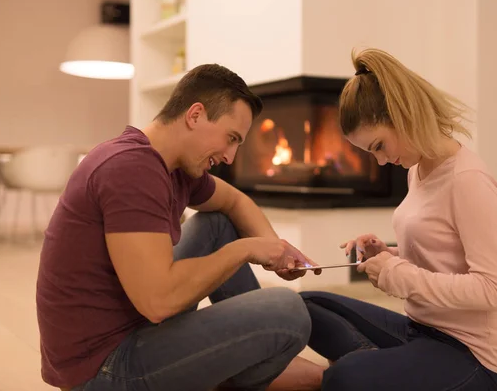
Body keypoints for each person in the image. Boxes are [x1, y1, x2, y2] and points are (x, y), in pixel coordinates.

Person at [36, 63, 326, 391]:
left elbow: (235, 203)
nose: (231, 157)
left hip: (131, 330)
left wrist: (277, 250)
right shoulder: (132, 169)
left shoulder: (170, 165)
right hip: (103, 369)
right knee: (288, 311)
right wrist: (245, 248)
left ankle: (254, 357)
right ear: (195, 115)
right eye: (231, 138)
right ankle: (248, 368)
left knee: (216, 224)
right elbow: (158, 302)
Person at [300, 48, 497, 391]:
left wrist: (397, 275)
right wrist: (387, 254)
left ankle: (375, 370)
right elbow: (444, 255)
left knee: (344, 378)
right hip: (419, 330)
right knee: (305, 306)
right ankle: (387, 368)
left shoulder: (468, 180)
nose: (382, 161)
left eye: (379, 146)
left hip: (471, 356)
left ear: (403, 113)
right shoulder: (418, 170)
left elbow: (494, 291)